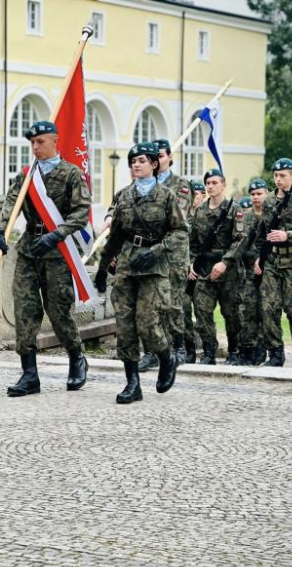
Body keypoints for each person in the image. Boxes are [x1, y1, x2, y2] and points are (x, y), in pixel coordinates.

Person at [0, 121, 91, 397]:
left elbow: (81, 213)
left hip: (57, 251)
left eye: (41, 142)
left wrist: (57, 234)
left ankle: (76, 356)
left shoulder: (71, 174)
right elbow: (10, 205)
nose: (36, 147)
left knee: (59, 311)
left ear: (54, 142)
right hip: (29, 248)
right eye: (32, 143)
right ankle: (29, 374)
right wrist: (1, 231)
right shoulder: (26, 175)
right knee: (25, 309)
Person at [94, 142, 187, 403]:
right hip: (127, 265)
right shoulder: (124, 196)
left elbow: (180, 231)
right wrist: (105, 265)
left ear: (154, 164)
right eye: (133, 160)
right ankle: (132, 383)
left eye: (142, 160)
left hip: (154, 267)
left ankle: (166, 356)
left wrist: (157, 250)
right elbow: (116, 234)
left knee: (147, 323)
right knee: (124, 325)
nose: (136, 164)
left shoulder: (166, 196)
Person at [253, 158, 292, 367]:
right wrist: (259, 258)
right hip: (272, 260)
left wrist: (287, 235)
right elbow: (263, 232)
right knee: (269, 308)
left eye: (283, 175)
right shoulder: (269, 201)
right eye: (275, 175)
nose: (278, 179)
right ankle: (276, 353)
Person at [134, 138, 193, 370]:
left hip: (173, 254)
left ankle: (178, 347)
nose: (157, 160)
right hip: (149, 254)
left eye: (160, 156)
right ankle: (150, 351)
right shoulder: (142, 184)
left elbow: (177, 218)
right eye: (153, 157)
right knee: (149, 304)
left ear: (169, 157)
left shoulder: (181, 185)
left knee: (173, 303)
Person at [187, 168, 244, 365]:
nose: (210, 187)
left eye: (214, 183)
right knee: (202, 311)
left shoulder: (234, 209)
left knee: (231, 313)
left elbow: (240, 240)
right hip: (205, 270)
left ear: (223, 184)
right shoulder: (200, 212)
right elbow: (193, 243)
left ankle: (235, 351)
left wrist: (225, 262)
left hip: (228, 271)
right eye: (208, 184)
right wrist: (192, 263)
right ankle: (209, 350)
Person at [237, 179, 268, 365]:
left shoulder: (272, 216)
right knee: (247, 310)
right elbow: (239, 243)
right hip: (247, 271)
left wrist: (262, 259)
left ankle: (262, 348)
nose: (256, 197)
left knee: (266, 310)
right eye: (253, 194)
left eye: (259, 193)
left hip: (268, 270)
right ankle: (247, 348)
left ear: (267, 194)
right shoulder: (244, 217)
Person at [182, 180, 207, 363]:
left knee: (202, 312)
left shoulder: (206, 217)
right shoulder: (182, 217)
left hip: (200, 271)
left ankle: (207, 350)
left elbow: (206, 246)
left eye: (197, 194)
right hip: (182, 270)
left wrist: (194, 264)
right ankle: (188, 349)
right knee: (183, 311)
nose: (194, 198)